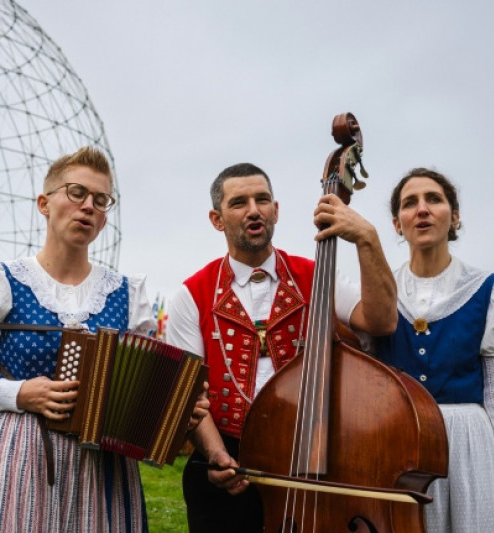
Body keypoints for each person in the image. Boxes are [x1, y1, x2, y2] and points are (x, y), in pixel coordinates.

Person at [0, 146, 209, 533]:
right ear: (44, 203)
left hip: (103, 471)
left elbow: (136, 401)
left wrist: (175, 414)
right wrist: (19, 393)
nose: (88, 206)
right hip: (15, 455)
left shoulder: (126, 295)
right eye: (76, 193)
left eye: (100, 199)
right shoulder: (1, 281)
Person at [166, 162, 397, 533]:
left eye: (262, 199)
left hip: (313, 456)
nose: (254, 210)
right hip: (225, 462)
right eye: (239, 202)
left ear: (276, 210)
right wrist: (214, 453)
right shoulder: (191, 295)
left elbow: (382, 320)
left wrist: (368, 239)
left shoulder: (318, 273)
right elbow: (191, 392)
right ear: (217, 218)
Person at [343, 167, 494, 533]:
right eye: (410, 203)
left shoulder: (490, 290)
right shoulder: (377, 295)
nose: (422, 209)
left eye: (434, 199)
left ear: (455, 216)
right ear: (396, 223)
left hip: (471, 449)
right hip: (399, 449)